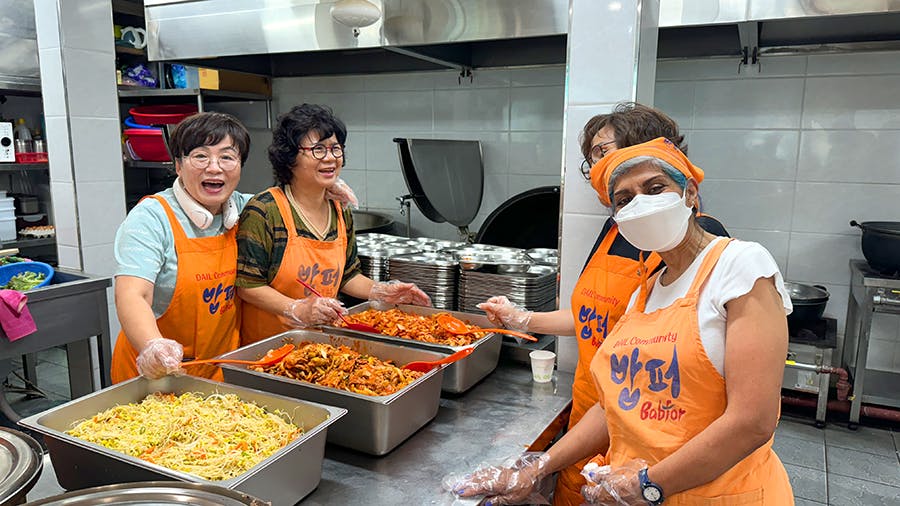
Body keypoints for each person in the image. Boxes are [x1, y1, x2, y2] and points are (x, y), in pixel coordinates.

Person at [453, 137, 793, 504]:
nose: (640, 205)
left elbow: (753, 420)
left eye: (655, 188)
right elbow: (615, 404)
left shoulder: (739, 266)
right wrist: (537, 467)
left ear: (690, 193)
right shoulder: (645, 291)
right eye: (625, 199)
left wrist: (649, 483)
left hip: (719, 495)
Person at [478, 102, 727, 506]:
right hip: (591, 415)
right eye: (591, 158)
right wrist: (523, 318)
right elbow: (591, 317)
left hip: (653, 439)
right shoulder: (614, 229)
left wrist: (650, 480)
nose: (597, 167)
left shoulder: (702, 244)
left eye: (604, 151)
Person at [236, 104, 430, 345]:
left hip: (322, 347)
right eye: (318, 149)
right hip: (268, 349)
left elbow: (347, 276)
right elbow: (247, 285)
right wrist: (296, 308)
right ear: (289, 157)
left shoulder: (340, 209)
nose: (330, 158)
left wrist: (379, 291)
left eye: (335, 149)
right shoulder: (265, 210)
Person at [111, 112, 252, 382]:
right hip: (154, 373)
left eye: (227, 156)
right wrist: (153, 347)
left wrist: (322, 190)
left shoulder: (245, 209)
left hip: (217, 370)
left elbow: (285, 205)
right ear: (178, 165)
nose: (214, 167)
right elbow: (132, 295)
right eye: (200, 156)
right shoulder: (151, 218)